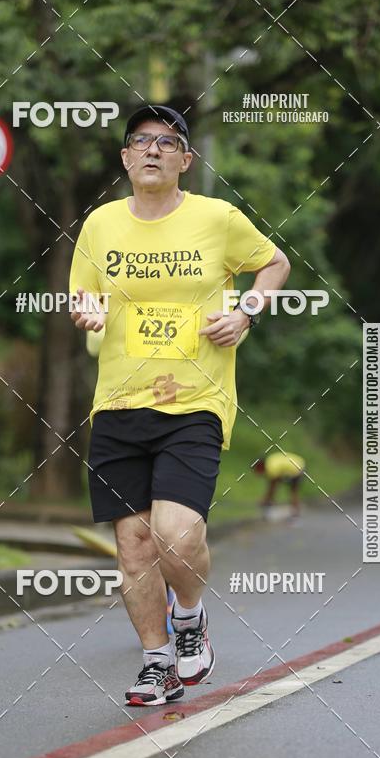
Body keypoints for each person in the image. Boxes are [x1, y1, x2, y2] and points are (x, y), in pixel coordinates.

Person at [69, 104, 291, 706]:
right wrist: (85, 308)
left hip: (195, 400)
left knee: (175, 532)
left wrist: (247, 311)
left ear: (185, 161)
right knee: (133, 544)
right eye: (141, 141)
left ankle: (189, 618)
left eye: (167, 143)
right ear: (125, 157)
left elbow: (274, 262)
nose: (152, 150)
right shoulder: (101, 225)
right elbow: (83, 291)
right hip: (118, 402)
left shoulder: (216, 218)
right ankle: (156, 661)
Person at [254, 451, 305, 519]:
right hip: (298, 463)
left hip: (296, 468)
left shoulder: (271, 467)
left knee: (293, 491)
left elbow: (273, 486)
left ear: (260, 466)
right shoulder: (270, 461)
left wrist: (266, 498)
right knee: (290, 490)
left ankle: (294, 514)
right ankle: (294, 513)